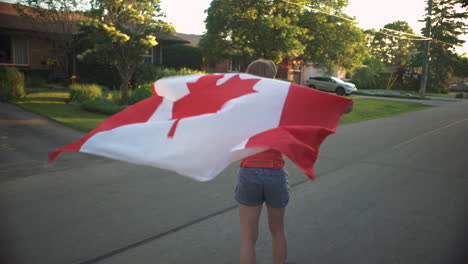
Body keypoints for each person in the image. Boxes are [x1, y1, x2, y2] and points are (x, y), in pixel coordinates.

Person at [235, 59, 353, 264]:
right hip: (275, 174)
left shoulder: (241, 103)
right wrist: (340, 104)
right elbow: (321, 105)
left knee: (248, 239)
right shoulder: (284, 102)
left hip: (248, 172)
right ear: (273, 76)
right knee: (278, 232)